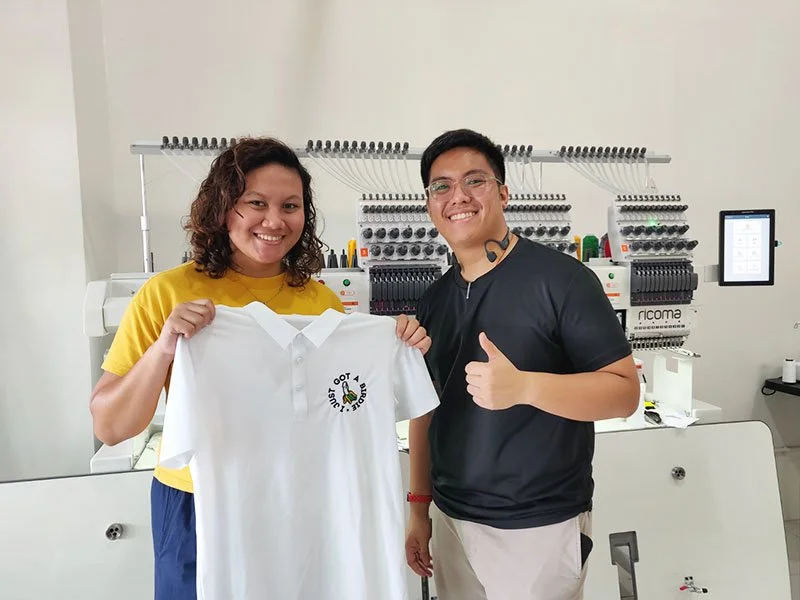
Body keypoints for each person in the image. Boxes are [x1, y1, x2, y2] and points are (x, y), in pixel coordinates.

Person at [89, 136, 431, 599]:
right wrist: (164, 347)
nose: (274, 220)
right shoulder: (168, 295)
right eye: (256, 203)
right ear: (223, 207)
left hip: (300, 497)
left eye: (290, 205)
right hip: (201, 502)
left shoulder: (321, 302)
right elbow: (110, 427)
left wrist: (400, 342)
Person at [404, 129, 640, 600]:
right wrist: (418, 509)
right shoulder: (433, 299)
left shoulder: (562, 280)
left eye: (475, 181)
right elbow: (423, 410)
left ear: (503, 192)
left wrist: (525, 387)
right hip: (451, 520)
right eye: (442, 186)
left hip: (536, 526)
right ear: (429, 203)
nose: (459, 197)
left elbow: (624, 393)